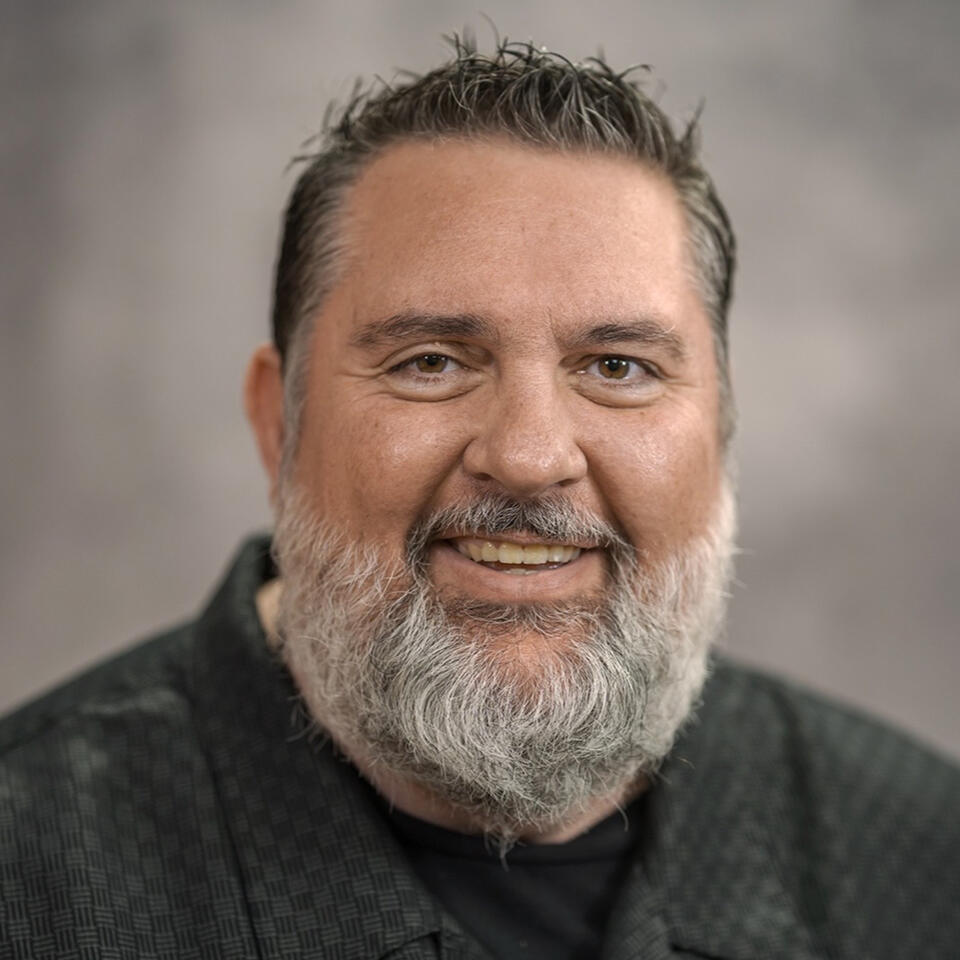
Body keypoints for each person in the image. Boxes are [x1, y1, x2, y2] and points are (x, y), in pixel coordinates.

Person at [1, 36, 957, 960]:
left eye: (617, 367)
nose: (530, 458)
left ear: (723, 430)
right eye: (431, 362)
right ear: (277, 424)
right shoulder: (27, 870)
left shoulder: (923, 857)